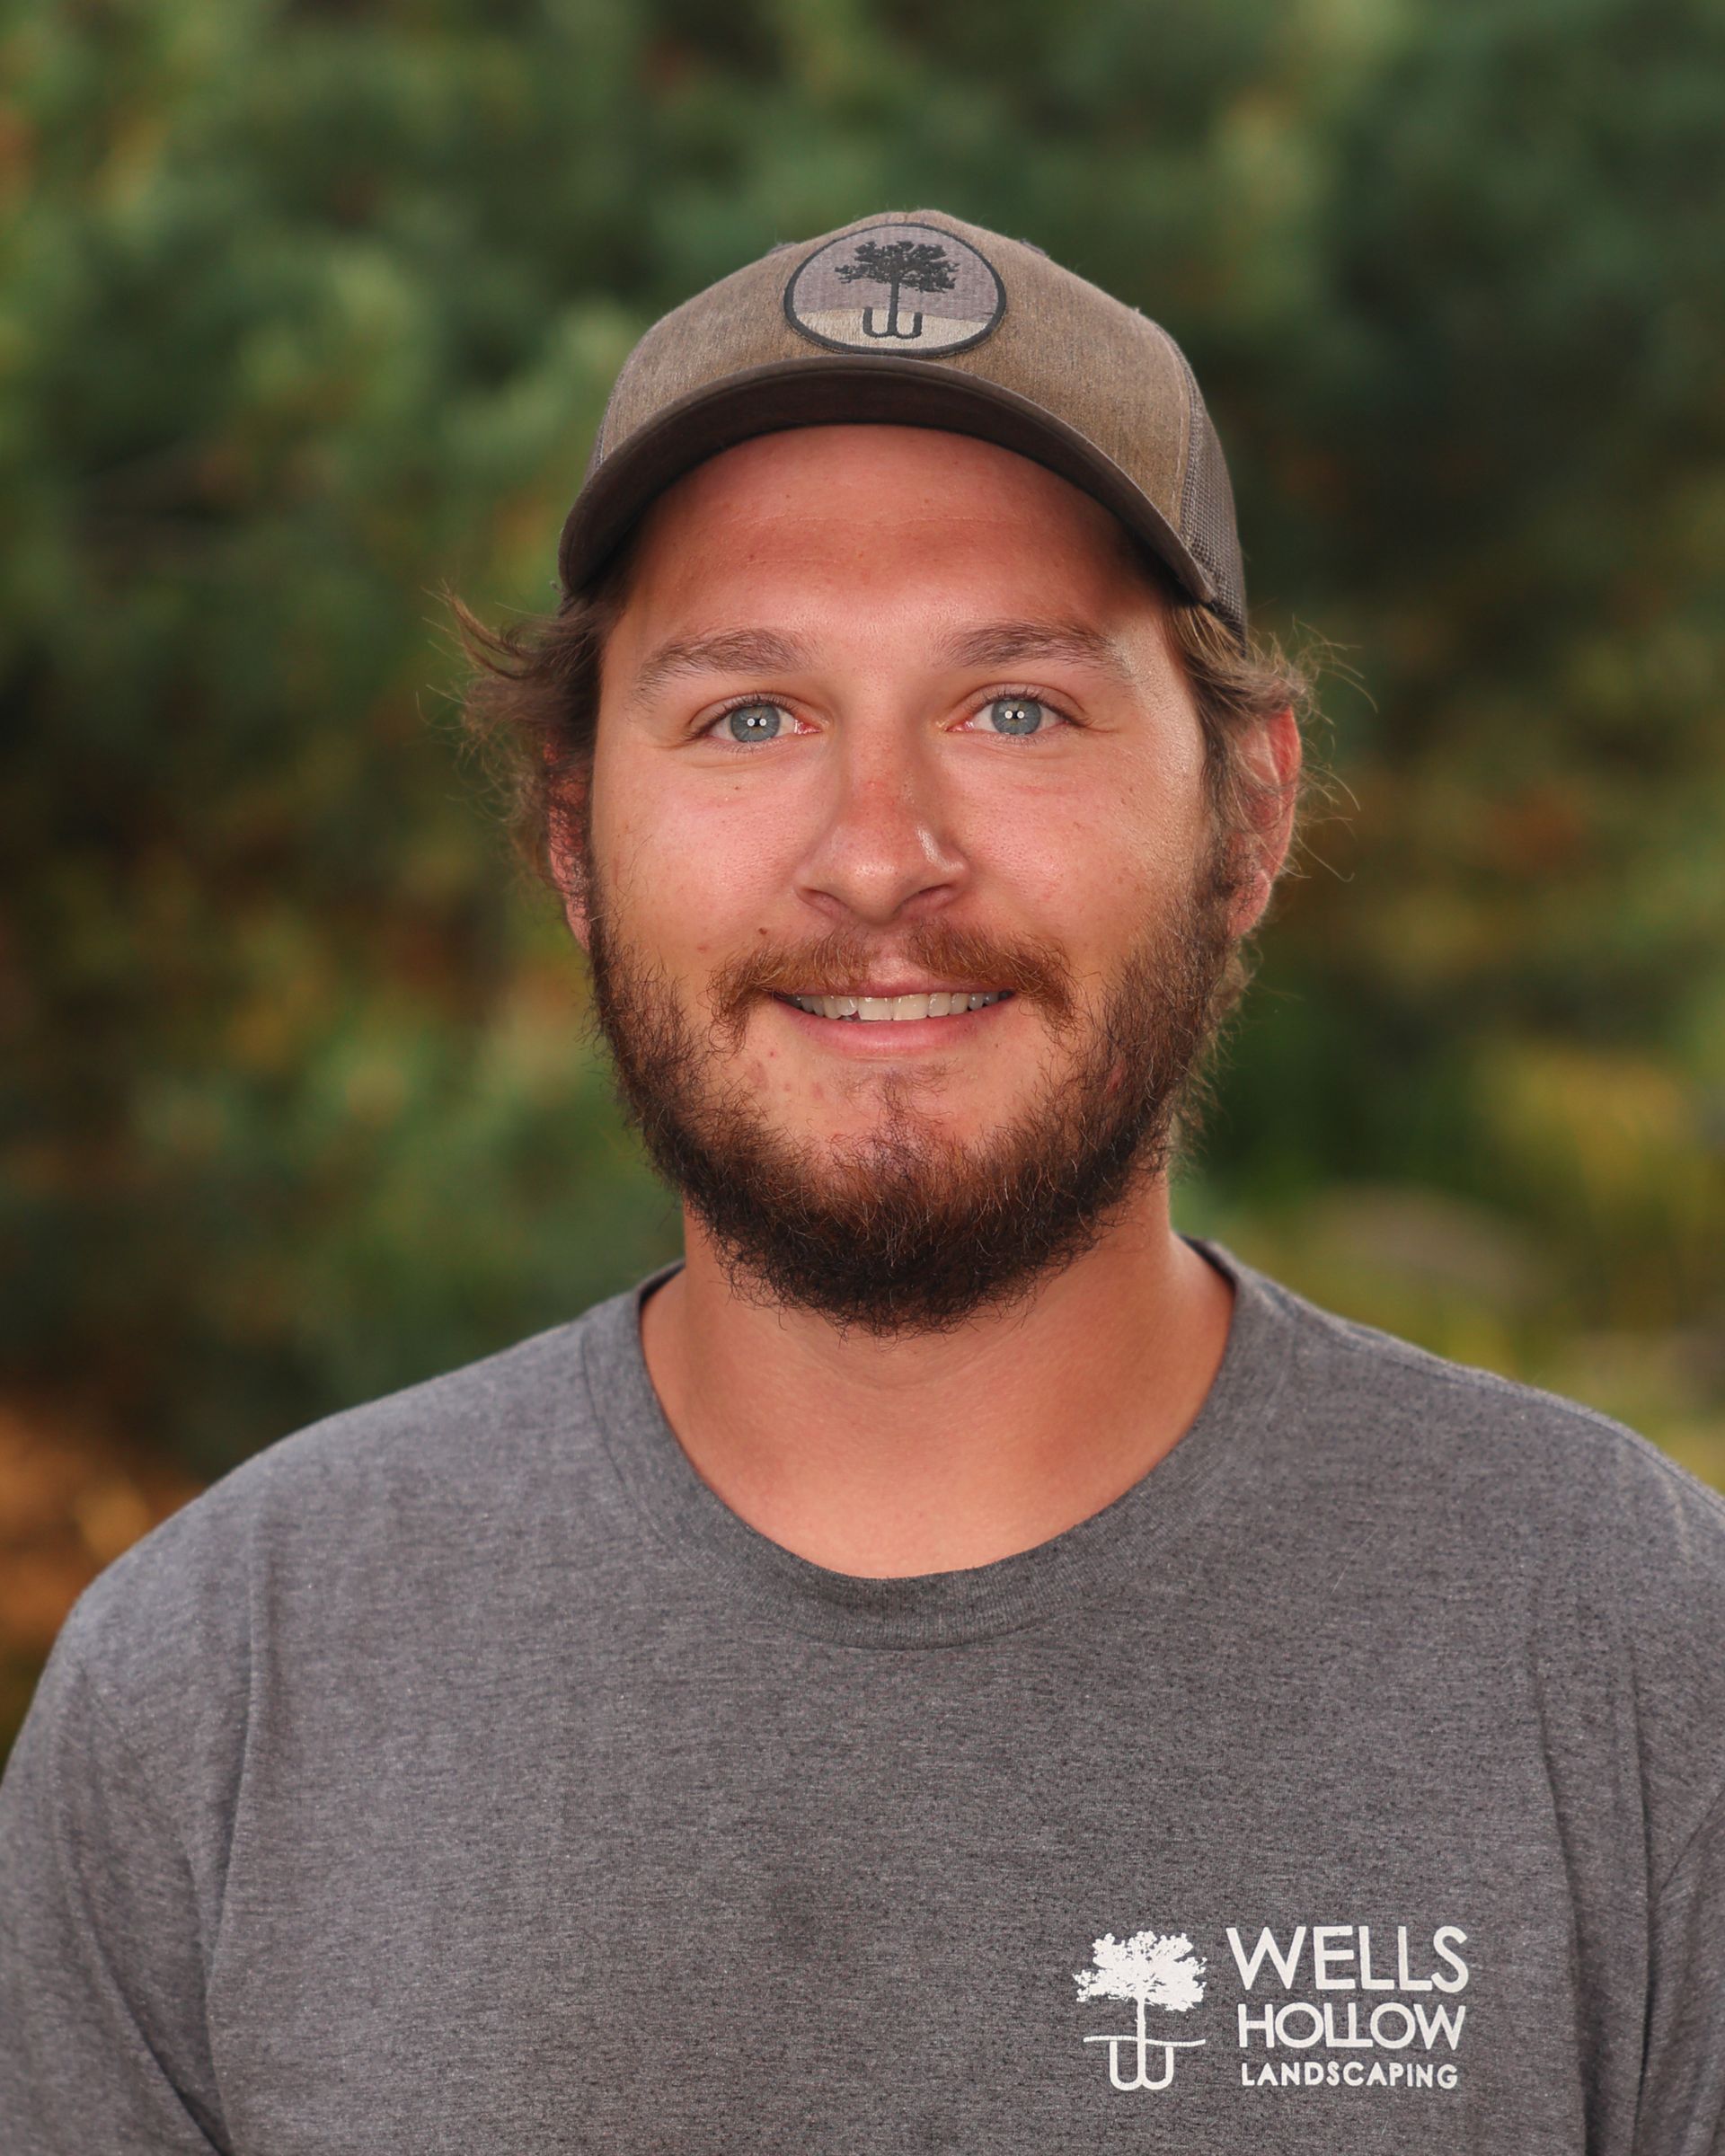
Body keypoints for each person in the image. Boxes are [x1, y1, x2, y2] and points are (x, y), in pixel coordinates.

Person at [2, 209, 1721, 2153]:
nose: (881, 856)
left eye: (1016, 709)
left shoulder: (1632, 1656)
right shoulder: (216, 1698)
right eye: (752, 715)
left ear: (1251, 816)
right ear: (574, 840)